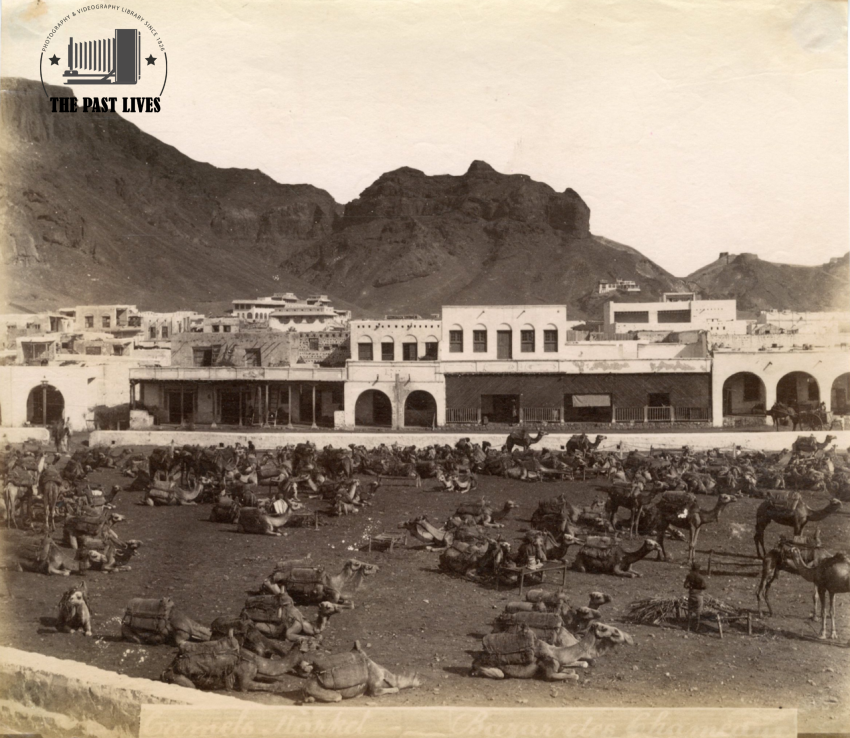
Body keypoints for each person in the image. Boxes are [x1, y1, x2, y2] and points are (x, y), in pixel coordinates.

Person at [684, 561, 708, 633]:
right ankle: (696, 628)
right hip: (699, 595)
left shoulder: (689, 576)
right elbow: (705, 587)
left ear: (692, 568)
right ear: (698, 569)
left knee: (690, 611)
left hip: (691, 595)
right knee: (698, 612)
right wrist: (698, 587)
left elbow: (685, 586)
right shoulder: (700, 577)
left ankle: (688, 627)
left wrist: (691, 587)